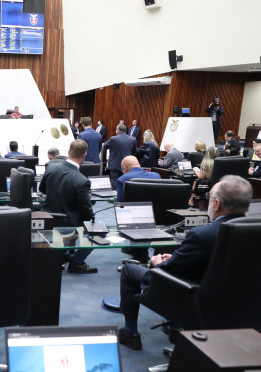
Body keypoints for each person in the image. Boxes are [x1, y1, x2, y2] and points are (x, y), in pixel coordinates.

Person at [118, 175, 251, 350]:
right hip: (242, 306)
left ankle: (130, 334)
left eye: (209, 197)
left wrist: (157, 263)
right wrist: (177, 259)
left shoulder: (202, 235)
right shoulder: (253, 232)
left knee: (129, 270)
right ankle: (174, 328)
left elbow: (168, 273)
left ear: (217, 204)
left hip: (198, 303)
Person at [39, 139, 97, 274]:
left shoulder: (51, 167)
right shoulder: (82, 180)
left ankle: (64, 253)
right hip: (70, 223)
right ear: (84, 156)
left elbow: (42, 190)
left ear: (69, 151)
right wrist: (92, 217)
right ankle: (77, 262)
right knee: (99, 232)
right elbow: (86, 211)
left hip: (48, 218)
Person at [103, 123, 137, 189]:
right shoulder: (133, 139)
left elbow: (105, 147)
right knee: (125, 183)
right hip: (127, 166)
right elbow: (134, 152)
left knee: (115, 183)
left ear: (118, 130)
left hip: (114, 165)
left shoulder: (113, 139)